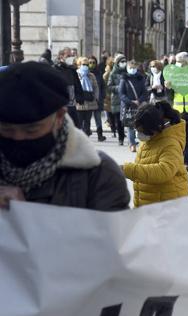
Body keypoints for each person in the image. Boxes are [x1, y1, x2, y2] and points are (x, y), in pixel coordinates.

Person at [0, 62, 129, 211]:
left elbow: (111, 232)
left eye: (31, 130)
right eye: (7, 129)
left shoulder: (98, 175)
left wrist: (28, 215)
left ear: (60, 117)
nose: (18, 138)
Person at [122, 101, 188, 207]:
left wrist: (129, 170)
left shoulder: (170, 143)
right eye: (137, 130)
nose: (139, 134)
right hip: (151, 205)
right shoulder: (149, 140)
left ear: (154, 128)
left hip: (168, 208)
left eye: (141, 131)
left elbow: (164, 171)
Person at [119, 60, 149, 153]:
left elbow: (145, 92)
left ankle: (141, 144)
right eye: (130, 68)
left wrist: (139, 100)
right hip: (128, 106)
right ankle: (132, 144)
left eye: (134, 68)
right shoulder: (124, 79)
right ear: (127, 68)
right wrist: (131, 102)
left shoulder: (141, 78)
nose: (132, 70)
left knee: (140, 125)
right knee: (130, 126)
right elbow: (121, 94)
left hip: (139, 105)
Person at [54, 47, 85, 127]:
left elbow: (77, 84)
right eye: (68, 56)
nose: (70, 58)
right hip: (61, 104)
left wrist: (80, 97)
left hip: (72, 104)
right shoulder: (55, 68)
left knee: (77, 126)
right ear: (61, 56)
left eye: (71, 56)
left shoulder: (71, 69)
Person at [75, 57, 102, 140]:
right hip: (80, 102)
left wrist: (96, 97)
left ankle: (85, 136)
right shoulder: (75, 74)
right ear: (79, 65)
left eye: (87, 64)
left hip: (90, 102)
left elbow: (96, 87)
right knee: (79, 122)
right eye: (83, 64)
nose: (85, 66)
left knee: (87, 122)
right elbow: (74, 86)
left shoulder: (91, 75)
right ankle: (79, 138)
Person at [107, 54, 127, 144]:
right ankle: (121, 138)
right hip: (117, 99)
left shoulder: (128, 72)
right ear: (118, 63)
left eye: (125, 61)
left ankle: (131, 139)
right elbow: (109, 87)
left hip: (127, 99)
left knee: (129, 119)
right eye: (122, 62)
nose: (124, 63)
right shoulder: (113, 74)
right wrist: (118, 87)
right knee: (119, 121)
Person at [88, 56, 106, 141]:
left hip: (97, 100)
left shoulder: (99, 73)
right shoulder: (85, 73)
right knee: (86, 119)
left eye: (93, 62)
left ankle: (100, 135)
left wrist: (102, 96)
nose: (91, 64)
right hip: (87, 100)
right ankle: (86, 133)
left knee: (98, 118)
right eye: (90, 62)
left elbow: (103, 86)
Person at [102, 56, 116, 138]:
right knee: (111, 115)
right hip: (109, 97)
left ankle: (114, 130)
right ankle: (113, 130)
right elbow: (104, 85)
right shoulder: (107, 74)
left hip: (111, 96)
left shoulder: (110, 73)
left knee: (112, 115)